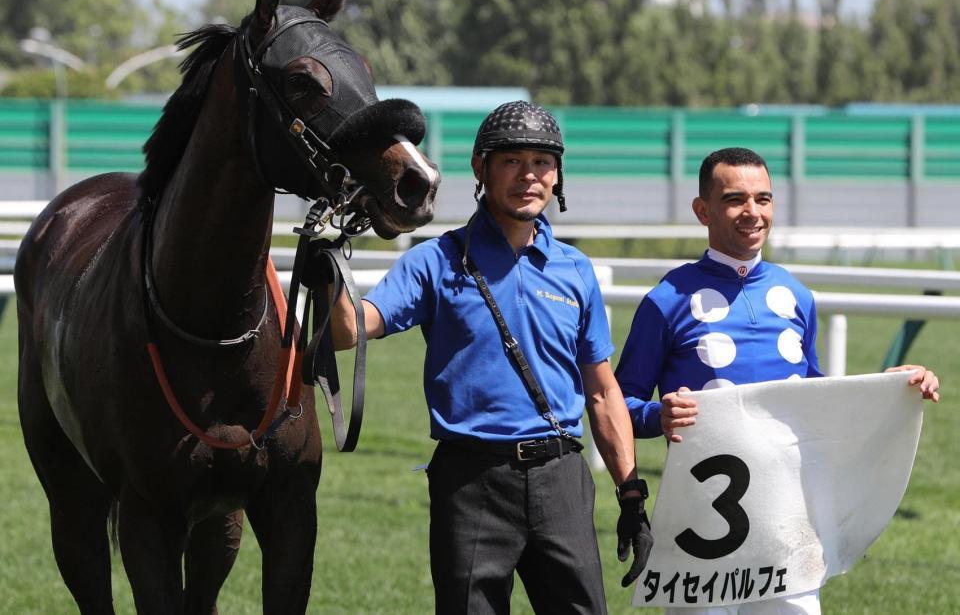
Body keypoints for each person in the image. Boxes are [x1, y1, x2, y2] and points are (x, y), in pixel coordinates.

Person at [330, 101, 653, 614]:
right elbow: (351, 331)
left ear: (558, 174)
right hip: (471, 480)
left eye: (542, 162)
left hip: (562, 478)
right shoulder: (434, 261)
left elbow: (601, 389)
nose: (529, 176)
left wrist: (630, 492)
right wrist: (328, 261)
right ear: (481, 168)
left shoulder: (576, 269)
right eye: (512, 161)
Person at [615, 146, 940, 615]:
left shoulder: (796, 295)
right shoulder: (666, 300)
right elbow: (617, 403)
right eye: (735, 199)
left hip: (790, 523)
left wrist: (888, 388)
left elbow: (815, 400)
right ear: (702, 209)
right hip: (700, 528)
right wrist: (656, 415)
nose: (753, 212)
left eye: (763, 199)